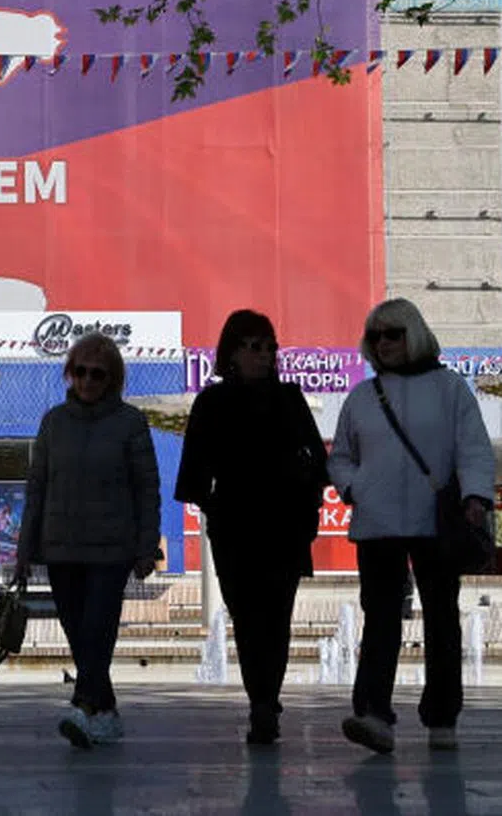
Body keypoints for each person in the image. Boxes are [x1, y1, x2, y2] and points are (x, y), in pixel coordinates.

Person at [329, 298, 495, 754]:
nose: (383, 343)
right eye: (375, 335)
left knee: (442, 620)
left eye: (393, 334)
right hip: (377, 522)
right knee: (380, 620)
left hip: (435, 522)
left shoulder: (450, 389)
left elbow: (474, 448)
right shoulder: (362, 396)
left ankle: (443, 718)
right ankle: (373, 715)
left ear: (414, 334)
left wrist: (475, 497)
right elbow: (340, 456)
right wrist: (353, 487)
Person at [174, 309, 328, 744]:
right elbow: (194, 472)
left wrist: (308, 506)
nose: (264, 355)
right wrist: (214, 505)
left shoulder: (290, 398)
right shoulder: (212, 402)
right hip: (235, 527)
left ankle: (266, 701)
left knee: (277, 617)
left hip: (284, 525)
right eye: (255, 346)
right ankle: (259, 696)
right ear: (233, 352)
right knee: (246, 617)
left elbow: (318, 460)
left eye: (270, 347)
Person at [15, 333, 161, 749]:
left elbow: (146, 488)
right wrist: (25, 550)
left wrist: (146, 546)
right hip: (61, 548)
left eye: (97, 374)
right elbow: (37, 488)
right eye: (80, 372)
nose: (87, 381)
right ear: (69, 374)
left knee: (98, 628)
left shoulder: (130, 423)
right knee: (79, 633)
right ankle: (107, 711)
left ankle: (82, 704)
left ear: (112, 379)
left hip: (111, 550)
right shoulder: (54, 422)